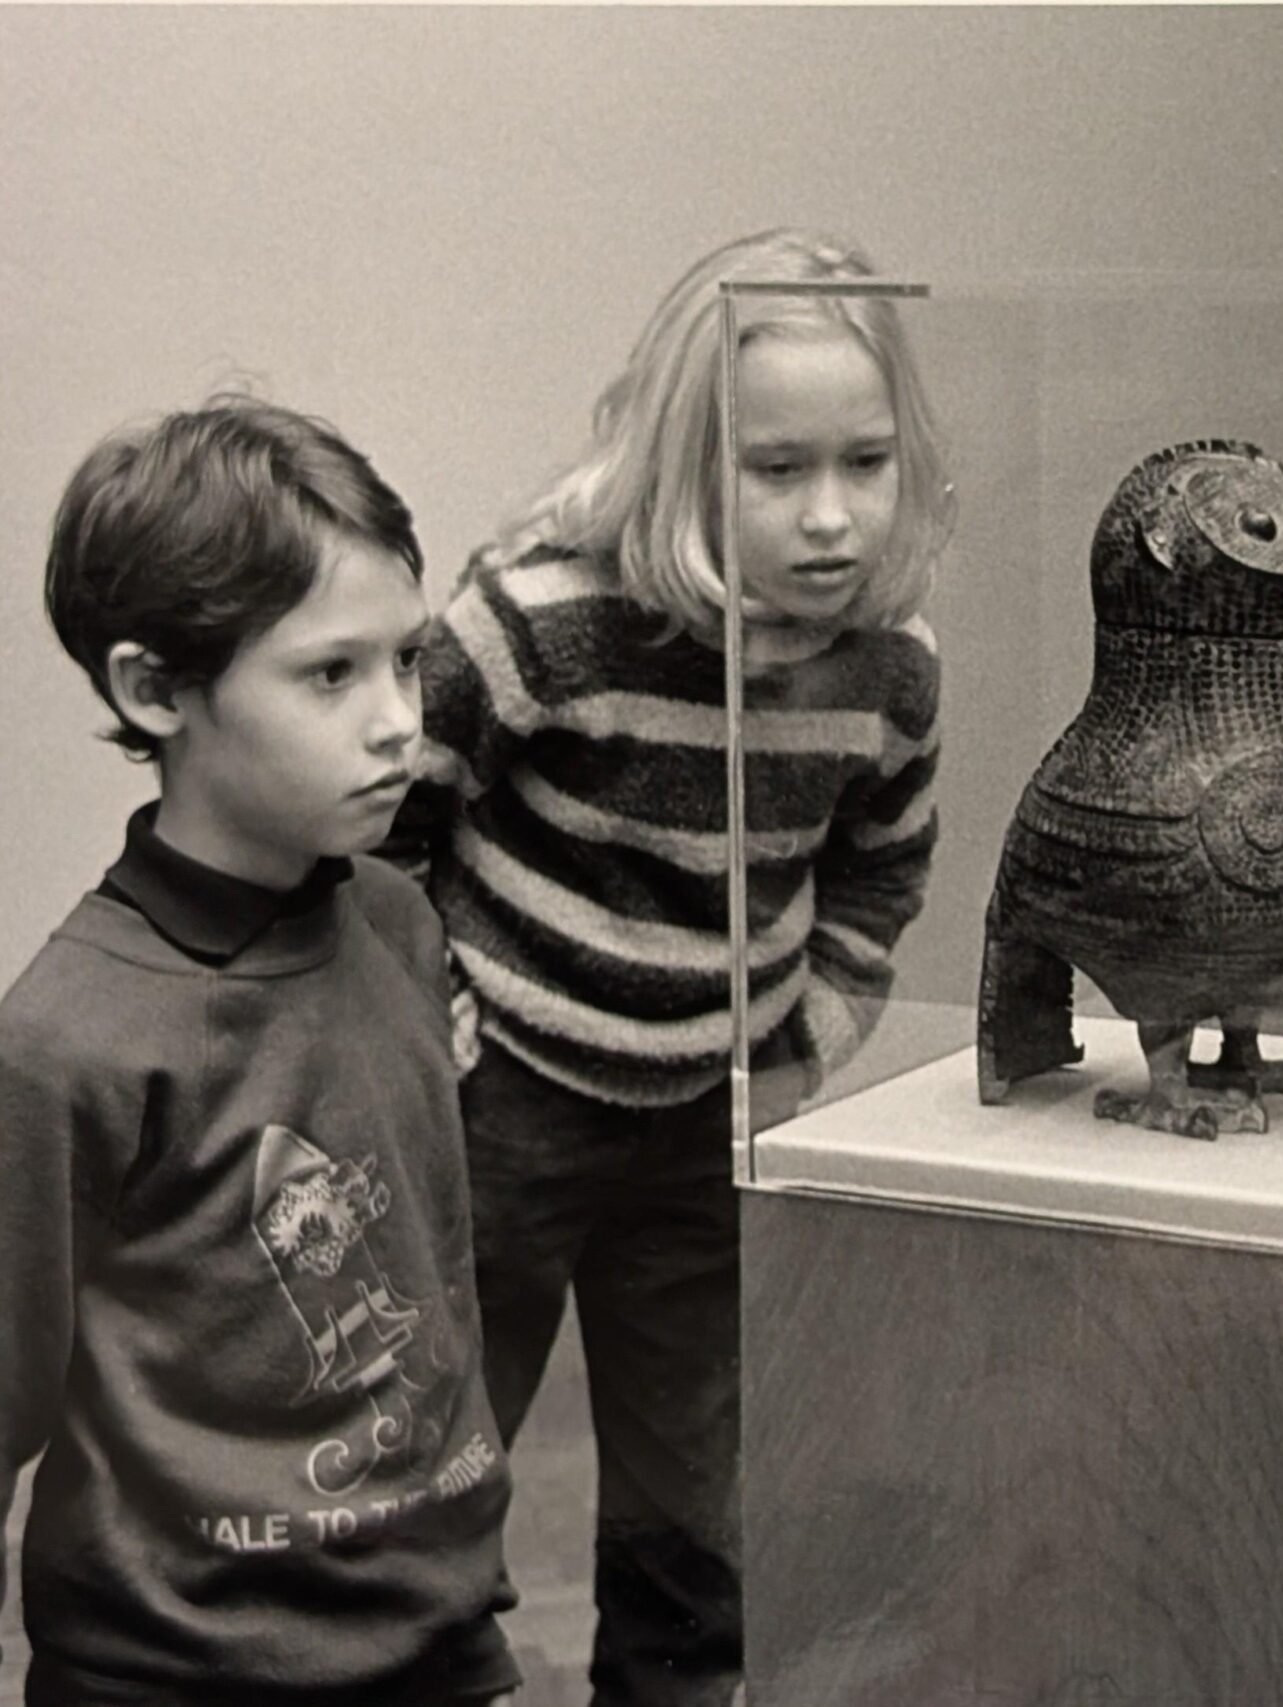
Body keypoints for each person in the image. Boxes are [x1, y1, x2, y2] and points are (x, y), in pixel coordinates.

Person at [391, 227, 954, 1707]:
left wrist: (810, 1029)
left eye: (867, 461)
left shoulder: (892, 664)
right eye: (775, 471)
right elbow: (389, 809)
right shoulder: (542, 616)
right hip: (502, 1098)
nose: (830, 516)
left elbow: (883, 862)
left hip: (707, 1114)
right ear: (682, 454)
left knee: (693, 1474)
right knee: (439, 1443)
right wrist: (419, 1006)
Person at [0, 397, 519, 1705]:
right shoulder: (67, 1040)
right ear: (154, 688)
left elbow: (433, 1281)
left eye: (406, 660)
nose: (400, 718)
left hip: (434, 1642)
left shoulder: (398, 921)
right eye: (331, 674)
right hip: (176, 1674)